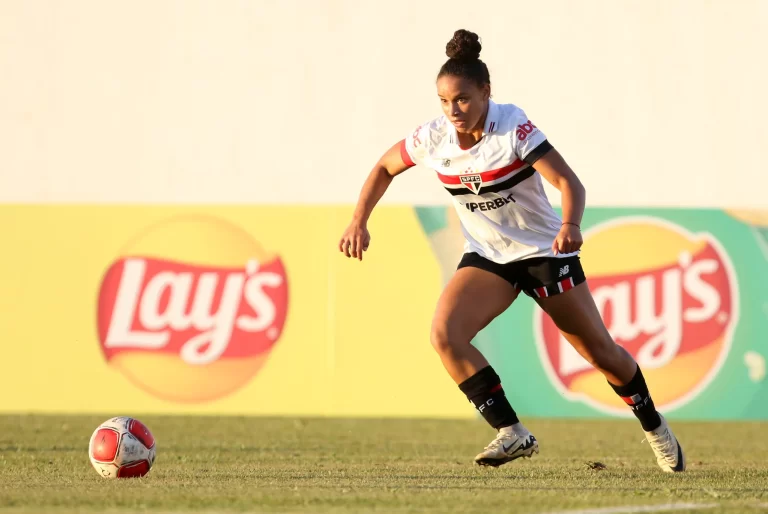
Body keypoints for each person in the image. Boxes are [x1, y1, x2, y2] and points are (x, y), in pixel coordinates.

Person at [338, 29, 685, 473]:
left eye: (462, 99)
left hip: (544, 253)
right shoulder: (433, 138)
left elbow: (569, 183)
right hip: (489, 256)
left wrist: (571, 225)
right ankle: (511, 432)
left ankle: (654, 427)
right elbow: (385, 167)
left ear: (486, 91)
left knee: (600, 353)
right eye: (444, 101)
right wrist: (358, 220)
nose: (453, 110)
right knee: (445, 335)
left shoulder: (514, 128)